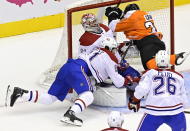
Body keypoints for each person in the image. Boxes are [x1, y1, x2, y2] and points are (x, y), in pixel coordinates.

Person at [9, 38, 138, 127]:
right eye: (114, 49)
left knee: (50, 98)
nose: (115, 51)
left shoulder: (95, 51)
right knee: (88, 95)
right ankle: (71, 114)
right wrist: (127, 79)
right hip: (77, 70)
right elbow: (117, 81)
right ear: (109, 48)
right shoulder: (108, 57)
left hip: (67, 67)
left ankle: (22, 93)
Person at [105, 4, 190, 70]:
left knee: (150, 65)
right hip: (156, 42)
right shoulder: (144, 15)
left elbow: (113, 27)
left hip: (147, 44)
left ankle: (174, 58)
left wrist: (112, 15)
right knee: (156, 68)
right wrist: (119, 14)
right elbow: (129, 21)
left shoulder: (132, 17)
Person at [128, 50, 188, 131]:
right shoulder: (179, 76)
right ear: (168, 61)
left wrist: (134, 101)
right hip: (176, 113)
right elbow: (184, 99)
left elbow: (141, 90)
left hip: (154, 112)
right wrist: (182, 108)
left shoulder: (150, 74)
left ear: (156, 60)